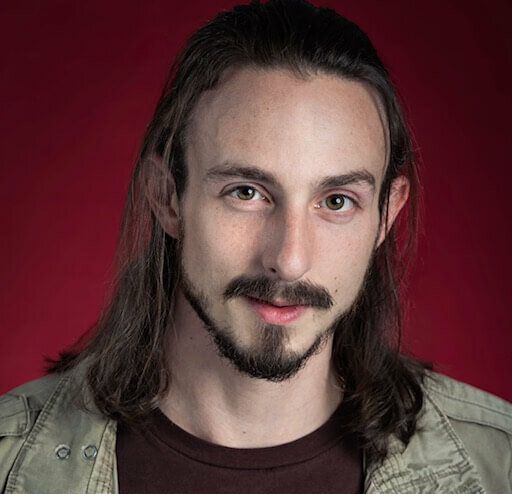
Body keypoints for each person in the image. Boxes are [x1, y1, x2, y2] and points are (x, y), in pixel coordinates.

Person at [1, 0, 510, 492]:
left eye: (336, 202)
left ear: (386, 216)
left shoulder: (498, 467)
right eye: (246, 193)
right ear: (167, 197)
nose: (288, 261)